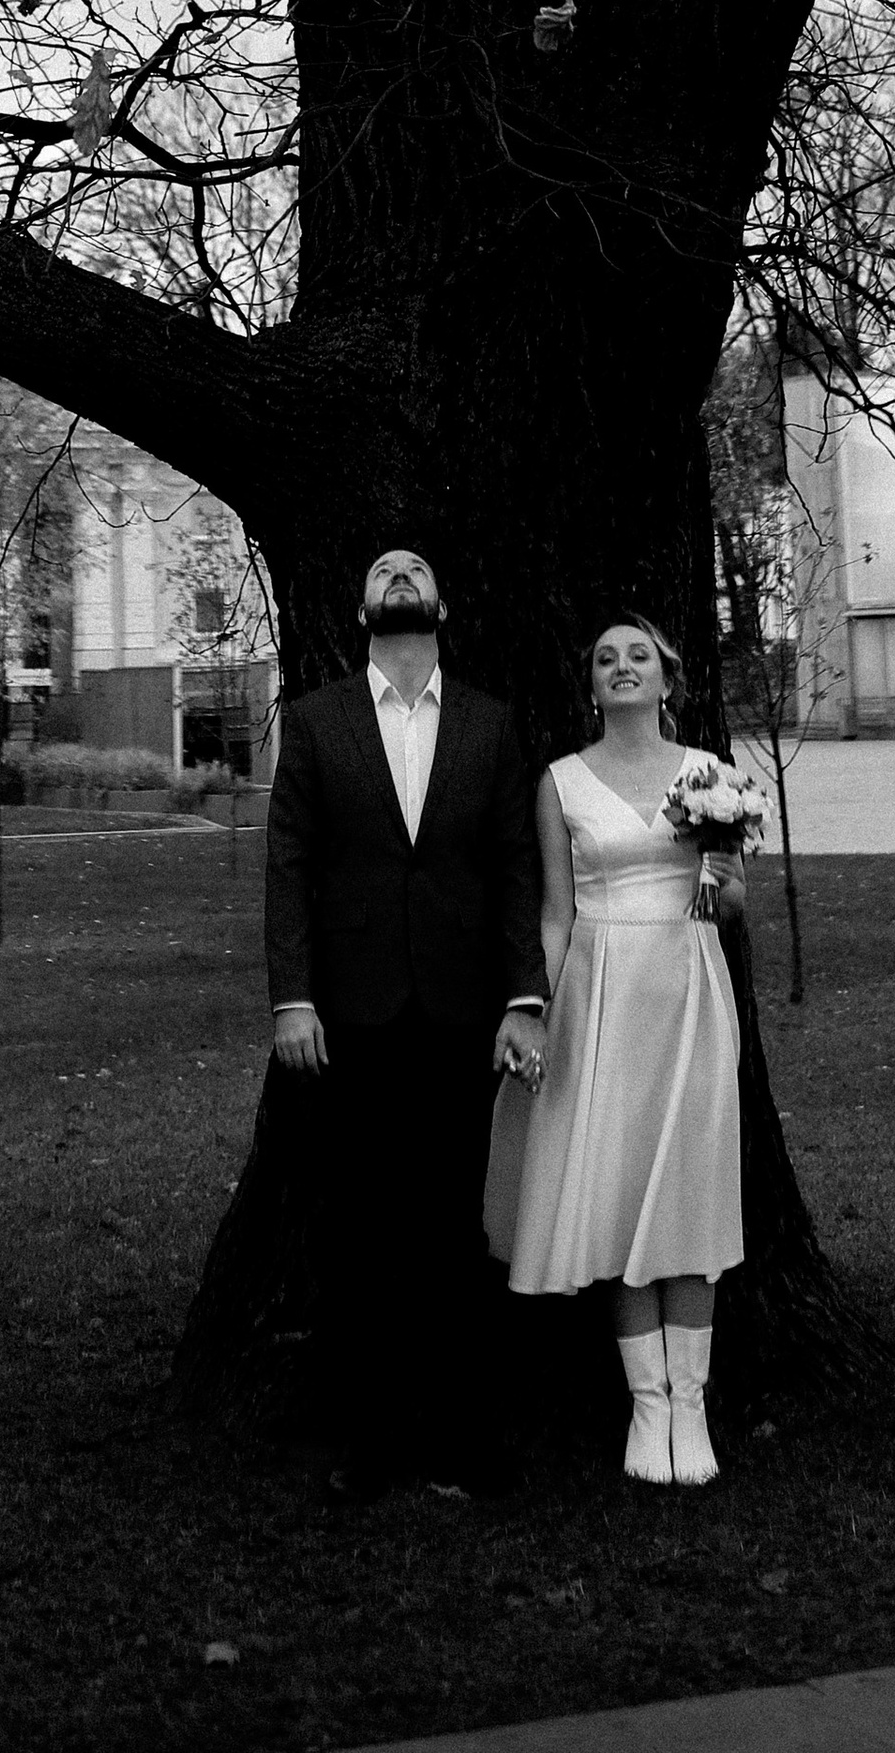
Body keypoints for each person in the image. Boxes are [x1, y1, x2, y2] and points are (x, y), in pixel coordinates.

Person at [264, 544, 549, 1498]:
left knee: (455, 1227)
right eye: (382, 571)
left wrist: (524, 998)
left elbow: (517, 867)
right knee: (362, 1231)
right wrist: (292, 996)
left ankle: (465, 1436)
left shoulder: (490, 725)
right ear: (359, 610)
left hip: (465, 1013)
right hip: (353, 1016)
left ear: (440, 605)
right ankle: (372, 1441)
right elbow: (289, 866)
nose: (398, 579)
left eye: (415, 571)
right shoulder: (313, 723)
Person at [485, 614, 745, 1487]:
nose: (621, 668)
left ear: (668, 681)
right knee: (621, 1190)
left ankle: (692, 1403)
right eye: (605, 659)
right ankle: (645, 1404)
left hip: (686, 991)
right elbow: (555, 914)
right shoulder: (558, 783)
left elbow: (731, 903)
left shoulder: (709, 773)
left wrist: (724, 878)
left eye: (638, 657)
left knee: (690, 1190)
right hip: (599, 997)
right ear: (591, 686)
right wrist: (533, 1010)